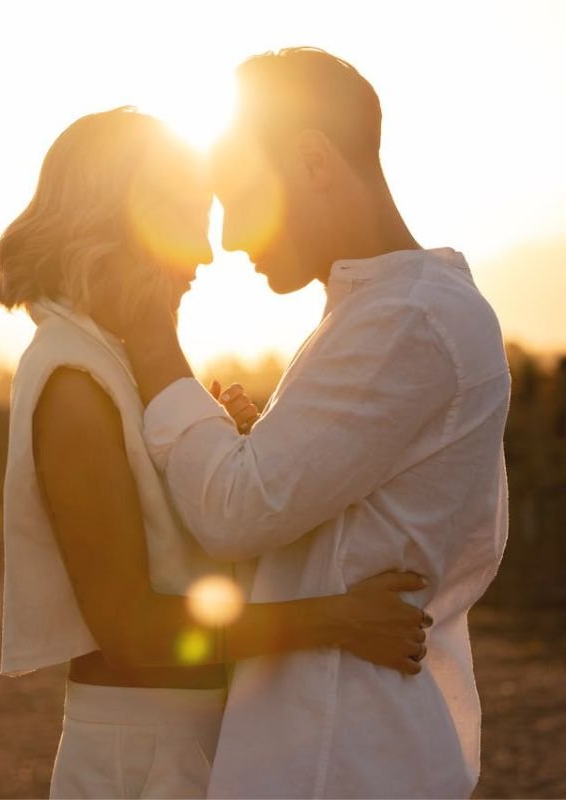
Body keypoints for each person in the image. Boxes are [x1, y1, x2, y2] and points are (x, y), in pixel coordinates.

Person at [0, 107, 431, 800]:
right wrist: (335, 619)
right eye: (188, 221)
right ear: (120, 224)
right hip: (143, 757)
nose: (204, 252)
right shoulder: (73, 384)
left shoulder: (116, 361)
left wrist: (232, 449)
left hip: (190, 738)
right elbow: (133, 631)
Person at [102, 49, 511, 798]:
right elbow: (312, 503)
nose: (227, 239)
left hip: (342, 750)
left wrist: (154, 342)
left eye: (239, 195)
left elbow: (236, 511)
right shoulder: (382, 310)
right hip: (334, 737)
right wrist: (259, 441)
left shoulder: (407, 319)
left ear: (314, 161)